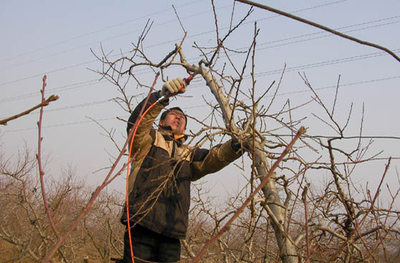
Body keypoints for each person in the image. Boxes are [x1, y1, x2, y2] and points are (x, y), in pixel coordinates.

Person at [121, 78, 243, 263]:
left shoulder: (189, 153)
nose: (178, 116)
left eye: (182, 117)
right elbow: (137, 125)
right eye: (173, 114)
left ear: (185, 129)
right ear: (161, 121)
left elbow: (213, 158)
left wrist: (237, 145)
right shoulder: (148, 140)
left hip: (173, 231)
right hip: (141, 223)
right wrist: (161, 97)